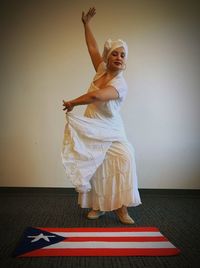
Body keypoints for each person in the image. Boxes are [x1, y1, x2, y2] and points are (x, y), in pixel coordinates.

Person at [62, 7, 141, 224]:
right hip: (91, 125)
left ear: (126, 60)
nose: (118, 57)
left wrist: (73, 102)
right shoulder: (101, 69)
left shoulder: (120, 84)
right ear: (108, 57)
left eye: (122, 54)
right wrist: (86, 24)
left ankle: (121, 209)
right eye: (114, 53)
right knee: (95, 164)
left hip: (111, 129)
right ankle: (98, 206)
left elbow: (97, 96)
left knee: (125, 159)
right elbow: (91, 46)